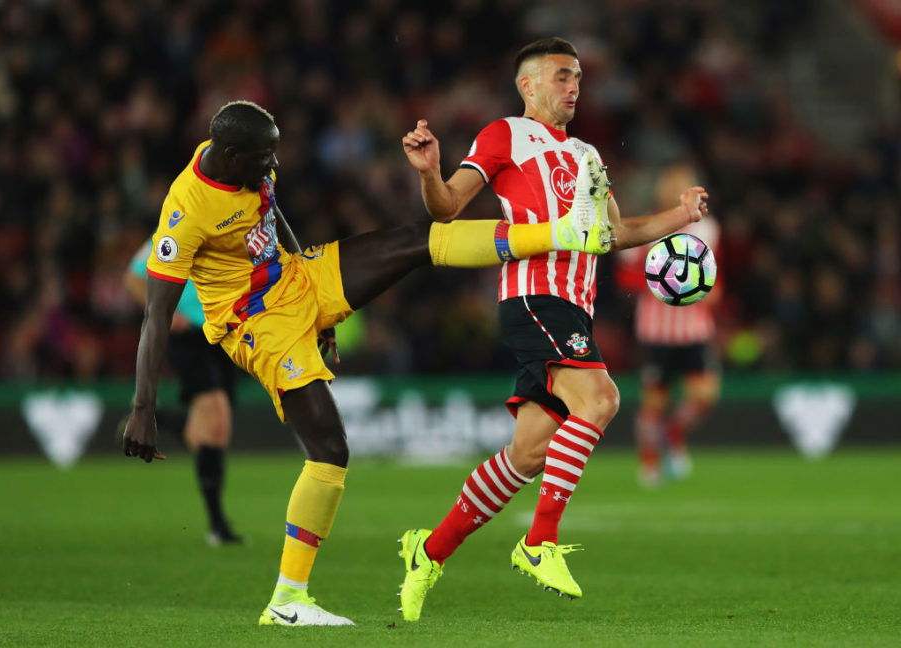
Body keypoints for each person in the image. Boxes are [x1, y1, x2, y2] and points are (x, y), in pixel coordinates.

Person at [122, 100, 612, 627]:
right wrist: (142, 407)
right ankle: (288, 600)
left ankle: (564, 233)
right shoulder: (187, 208)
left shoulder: (248, 163)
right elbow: (155, 316)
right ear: (232, 153)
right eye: (263, 158)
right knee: (330, 449)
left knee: (416, 239)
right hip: (255, 321)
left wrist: (321, 307)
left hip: (297, 279)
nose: (272, 166)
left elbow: (271, 211)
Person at [397, 37, 710, 621]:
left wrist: (680, 217)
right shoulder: (504, 135)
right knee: (602, 398)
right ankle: (538, 542)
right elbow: (447, 209)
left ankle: (429, 550)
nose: (574, 88)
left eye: (579, 79)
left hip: (576, 305)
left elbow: (613, 234)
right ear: (528, 85)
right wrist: (430, 174)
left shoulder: (590, 155)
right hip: (534, 296)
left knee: (529, 452)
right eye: (563, 76)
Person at [125, 239, 243, 545]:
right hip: (187, 334)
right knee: (216, 416)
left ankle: (166, 421)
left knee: (213, 431)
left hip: (225, 332)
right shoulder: (171, 230)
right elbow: (133, 277)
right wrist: (163, 311)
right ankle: (218, 525)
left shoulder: (229, 222)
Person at [615, 163, 722, 487]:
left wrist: (715, 291)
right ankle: (649, 462)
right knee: (654, 401)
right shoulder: (647, 227)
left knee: (705, 394)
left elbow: (717, 273)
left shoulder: (708, 229)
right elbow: (625, 277)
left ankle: (673, 433)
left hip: (694, 328)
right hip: (657, 330)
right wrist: (663, 281)